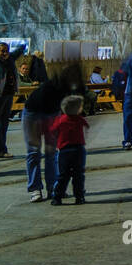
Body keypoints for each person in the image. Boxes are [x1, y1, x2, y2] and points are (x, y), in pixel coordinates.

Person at [22, 64, 84, 203]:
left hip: (51, 115)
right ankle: (35, 189)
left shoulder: (71, 89)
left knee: (51, 153)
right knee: (33, 152)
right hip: (33, 113)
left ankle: (53, 188)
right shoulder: (54, 86)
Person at [48, 94, 90, 205]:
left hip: (64, 150)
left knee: (63, 175)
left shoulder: (60, 120)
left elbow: (52, 130)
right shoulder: (80, 119)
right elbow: (87, 126)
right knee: (78, 175)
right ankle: (79, 197)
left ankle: (57, 197)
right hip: (78, 150)